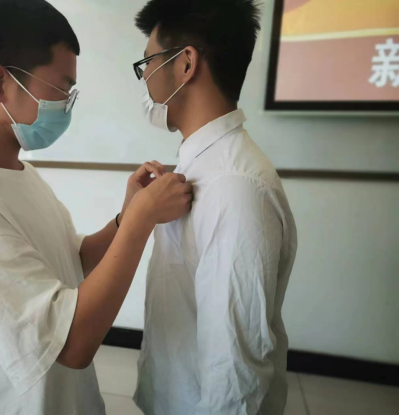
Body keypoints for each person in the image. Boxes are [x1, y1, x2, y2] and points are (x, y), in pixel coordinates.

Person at [0, 0, 193, 414]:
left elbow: (73, 260)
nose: (66, 104)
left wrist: (126, 216)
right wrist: (141, 221)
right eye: (61, 88)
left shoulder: (19, 173)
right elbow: (71, 344)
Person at [131, 0, 298, 414]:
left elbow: (234, 375)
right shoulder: (202, 165)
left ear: (186, 64)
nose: (145, 76)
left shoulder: (234, 187)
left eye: (148, 62)